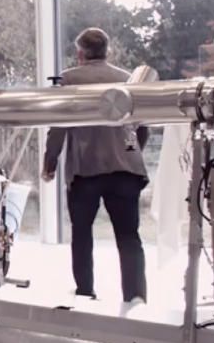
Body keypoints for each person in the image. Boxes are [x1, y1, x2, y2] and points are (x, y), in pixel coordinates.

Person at [42, 28, 148, 304]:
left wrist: (50, 164)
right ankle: (135, 296)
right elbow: (141, 127)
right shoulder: (127, 80)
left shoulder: (69, 80)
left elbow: (58, 127)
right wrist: (130, 152)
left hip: (85, 170)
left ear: (80, 53)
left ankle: (85, 292)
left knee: (81, 234)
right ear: (107, 51)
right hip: (125, 170)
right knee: (129, 236)